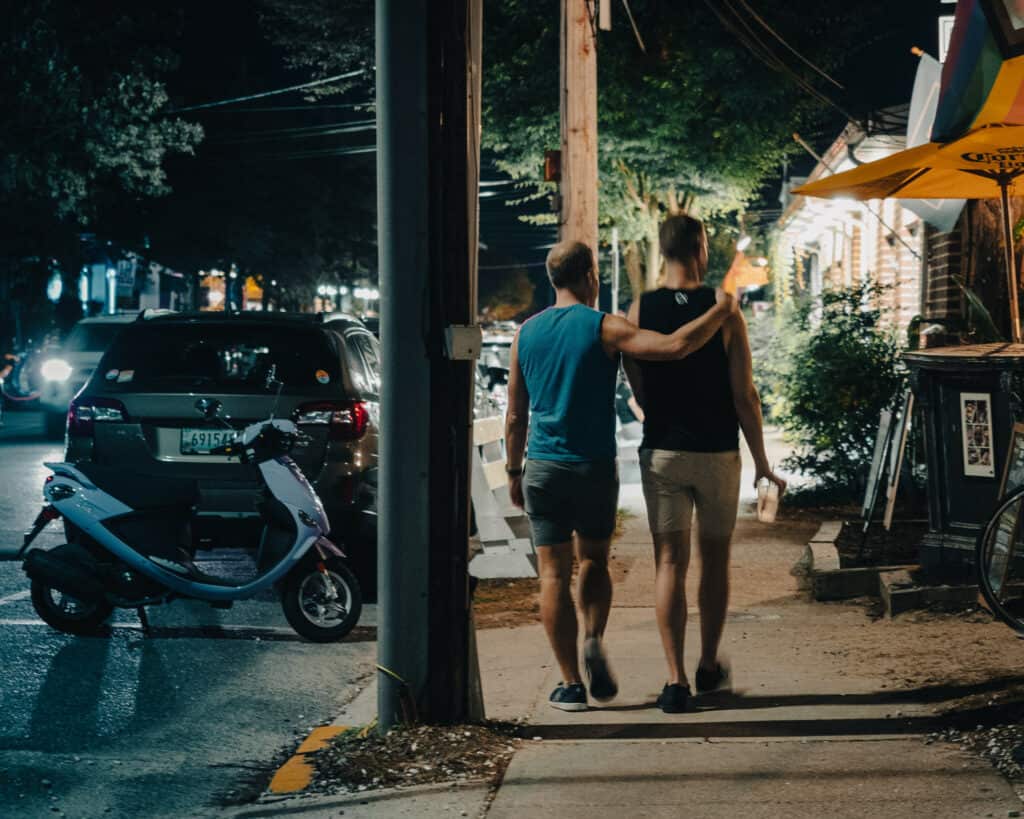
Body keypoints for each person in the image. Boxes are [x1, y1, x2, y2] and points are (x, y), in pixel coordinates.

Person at [504, 240, 737, 712]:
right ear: (591, 274)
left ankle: (570, 684)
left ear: (553, 280)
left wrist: (514, 470)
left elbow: (514, 415)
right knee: (592, 561)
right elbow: (675, 347)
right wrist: (721, 310)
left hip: (543, 467)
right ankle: (593, 636)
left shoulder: (525, 334)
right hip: (592, 467)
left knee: (551, 574)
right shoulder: (606, 327)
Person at [623, 214, 787, 714]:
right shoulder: (722, 308)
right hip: (717, 452)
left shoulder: (639, 308)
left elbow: (636, 381)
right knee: (714, 560)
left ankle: (674, 682)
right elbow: (745, 395)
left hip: (663, 452)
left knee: (668, 563)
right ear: (700, 250)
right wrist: (762, 462)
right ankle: (709, 664)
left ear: (662, 249)